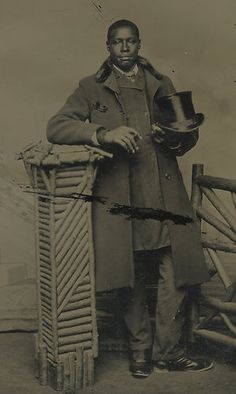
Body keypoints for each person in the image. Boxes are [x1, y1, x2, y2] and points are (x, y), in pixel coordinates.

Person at [47, 19, 213, 378]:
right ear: (108, 46)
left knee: (177, 273)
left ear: (139, 44)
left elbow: (186, 138)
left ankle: (168, 352)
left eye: (130, 41)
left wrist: (172, 138)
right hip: (123, 199)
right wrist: (102, 133)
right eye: (117, 42)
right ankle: (140, 354)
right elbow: (57, 127)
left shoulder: (160, 83)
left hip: (166, 197)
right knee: (130, 276)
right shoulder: (90, 88)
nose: (124, 48)